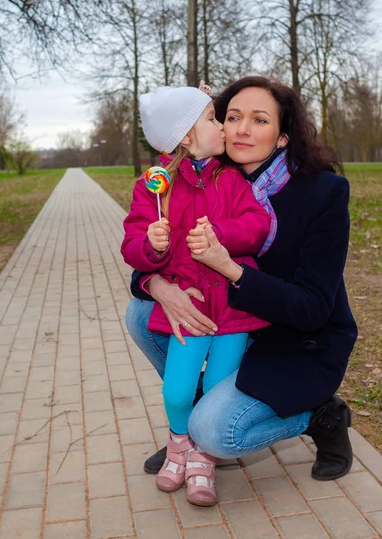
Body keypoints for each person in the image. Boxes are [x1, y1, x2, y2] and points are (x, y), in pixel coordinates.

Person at [125, 76, 358, 485]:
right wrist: (160, 287)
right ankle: (190, 423)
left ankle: (319, 416)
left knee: (220, 432)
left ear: (283, 138)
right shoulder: (204, 174)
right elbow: (145, 255)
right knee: (140, 314)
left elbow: (313, 308)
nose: (242, 129)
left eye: (259, 120)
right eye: (231, 117)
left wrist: (230, 267)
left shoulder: (323, 193)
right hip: (228, 318)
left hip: (293, 335)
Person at [121, 84, 271, 506]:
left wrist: (221, 235)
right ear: (186, 136)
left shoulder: (232, 179)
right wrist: (152, 245)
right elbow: (131, 243)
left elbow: (257, 226)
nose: (223, 126)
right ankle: (178, 445)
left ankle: (202, 461)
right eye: (212, 118)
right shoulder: (156, 188)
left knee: (220, 385)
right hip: (189, 309)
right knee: (178, 390)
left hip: (232, 310)